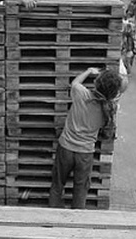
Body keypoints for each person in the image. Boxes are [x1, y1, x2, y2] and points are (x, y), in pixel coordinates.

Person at [49, 67, 124, 209]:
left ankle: (53, 217)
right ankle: (77, 223)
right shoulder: (108, 109)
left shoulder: (81, 94)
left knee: (57, 185)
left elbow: (75, 82)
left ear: (97, 83)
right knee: (80, 190)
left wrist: (89, 71)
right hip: (85, 153)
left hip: (66, 148)